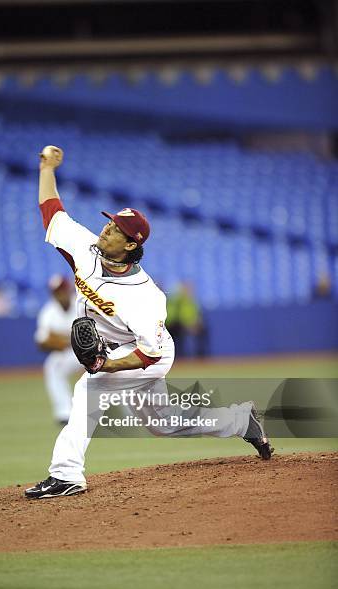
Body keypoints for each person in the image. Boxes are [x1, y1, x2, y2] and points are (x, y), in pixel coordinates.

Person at [25, 146, 273, 500]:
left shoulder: (144, 296)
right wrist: (47, 168)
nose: (105, 229)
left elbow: (149, 355)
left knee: (87, 388)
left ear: (129, 245)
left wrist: (106, 365)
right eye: (109, 223)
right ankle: (240, 421)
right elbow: (52, 213)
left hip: (147, 352)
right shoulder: (86, 248)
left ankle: (66, 474)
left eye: (114, 230)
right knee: (164, 424)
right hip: (117, 346)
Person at [35, 274, 80, 425]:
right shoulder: (49, 312)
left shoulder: (81, 304)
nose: (60, 294)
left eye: (62, 290)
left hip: (92, 350)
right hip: (69, 353)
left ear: (68, 289)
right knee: (53, 366)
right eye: (56, 292)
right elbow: (42, 341)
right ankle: (65, 413)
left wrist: (60, 338)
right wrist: (63, 341)